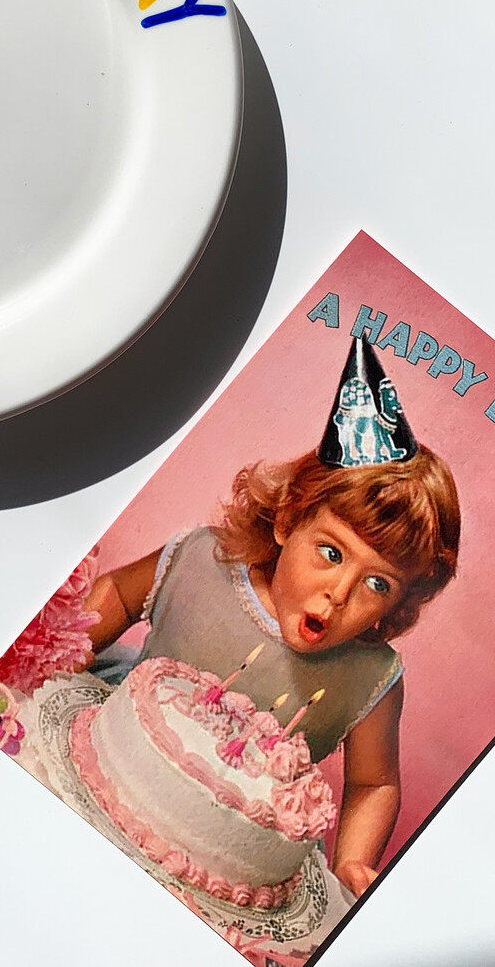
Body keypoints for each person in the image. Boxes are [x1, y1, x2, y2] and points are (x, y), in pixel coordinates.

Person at [79, 338, 461, 899]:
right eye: (331, 552)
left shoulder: (370, 678)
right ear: (287, 519)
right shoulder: (202, 561)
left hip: (230, 875)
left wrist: (354, 862)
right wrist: (65, 649)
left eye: (377, 584)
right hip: (107, 763)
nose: (339, 594)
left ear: (400, 603)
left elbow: (373, 783)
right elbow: (117, 592)